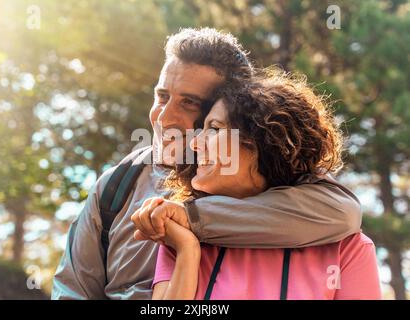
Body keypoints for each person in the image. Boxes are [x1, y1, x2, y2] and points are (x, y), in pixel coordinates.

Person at [52, 28, 362, 300]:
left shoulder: (276, 179)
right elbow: (73, 290)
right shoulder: (116, 186)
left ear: (230, 107)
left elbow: (343, 212)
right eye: (162, 96)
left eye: (189, 102)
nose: (163, 117)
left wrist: (189, 219)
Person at [146, 69, 381, 300]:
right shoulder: (179, 234)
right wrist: (188, 250)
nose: (195, 144)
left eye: (214, 129)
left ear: (264, 142)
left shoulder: (347, 248)